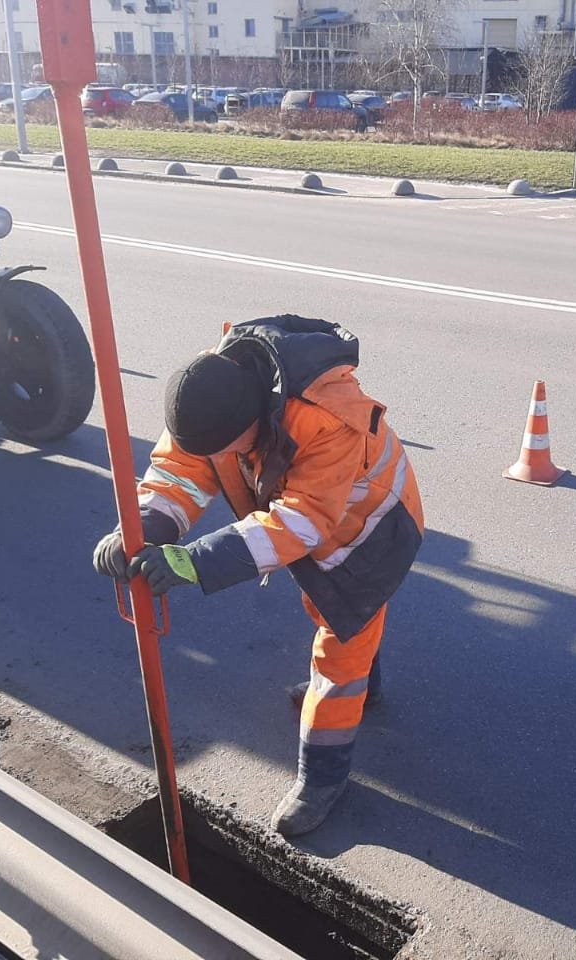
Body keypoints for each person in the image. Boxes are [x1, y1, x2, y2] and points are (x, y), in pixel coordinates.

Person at [93, 315, 423, 836]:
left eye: (227, 450)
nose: (219, 459)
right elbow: (181, 471)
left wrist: (192, 561)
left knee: (343, 639)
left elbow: (302, 521)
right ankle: (370, 688)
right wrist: (142, 528)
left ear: (256, 420)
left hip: (371, 526)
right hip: (317, 517)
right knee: (337, 612)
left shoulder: (328, 420)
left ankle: (323, 778)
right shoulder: (211, 392)